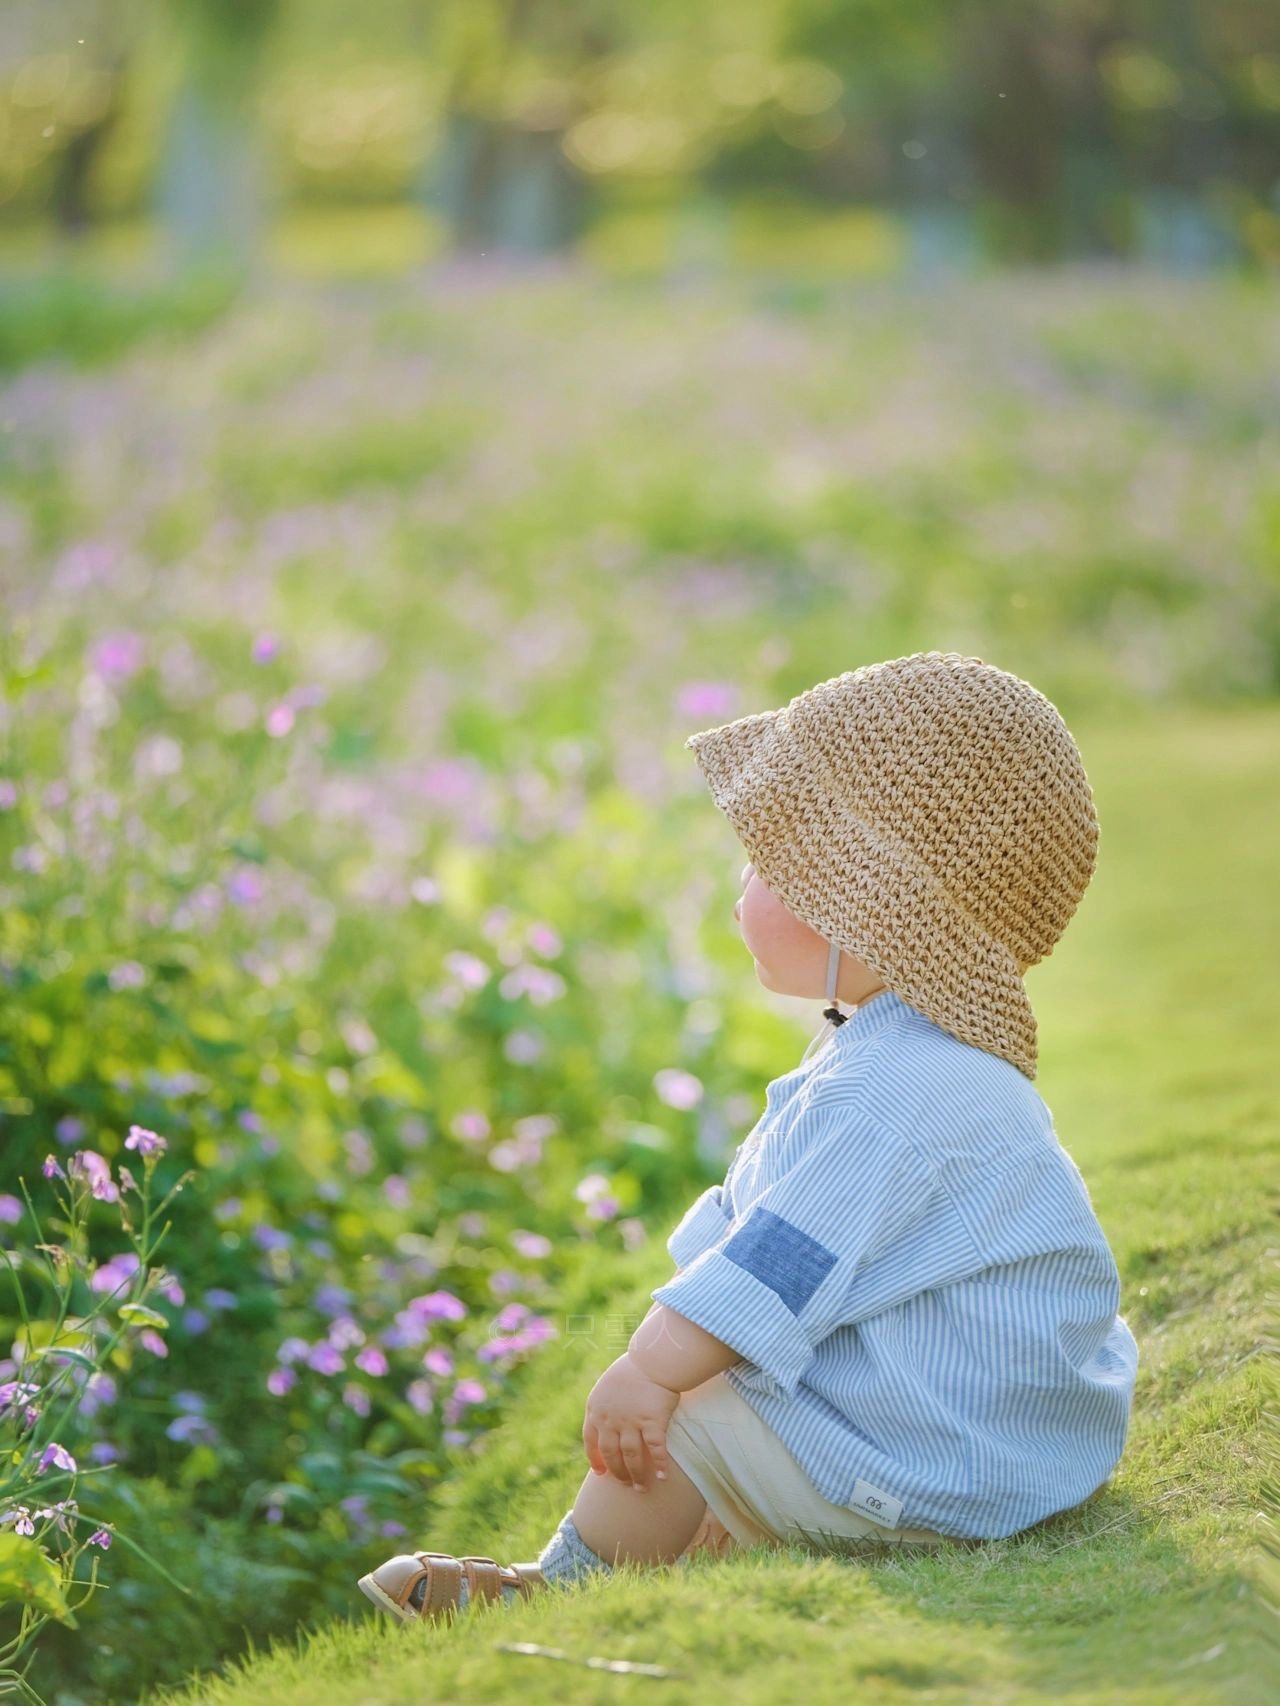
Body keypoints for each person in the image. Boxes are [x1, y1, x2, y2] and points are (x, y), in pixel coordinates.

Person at [357, 651, 1139, 1623]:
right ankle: (727, 1516)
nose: (740, 886)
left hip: (958, 1459)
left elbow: (772, 1267)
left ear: (859, 905)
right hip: (1011, 1429)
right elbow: (764, 1219)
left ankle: (558, 1586)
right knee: (730, 1370)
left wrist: (647, 1369)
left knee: (688, 1413)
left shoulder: (885, 1095)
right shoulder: (906, 1055)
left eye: (770, 867)